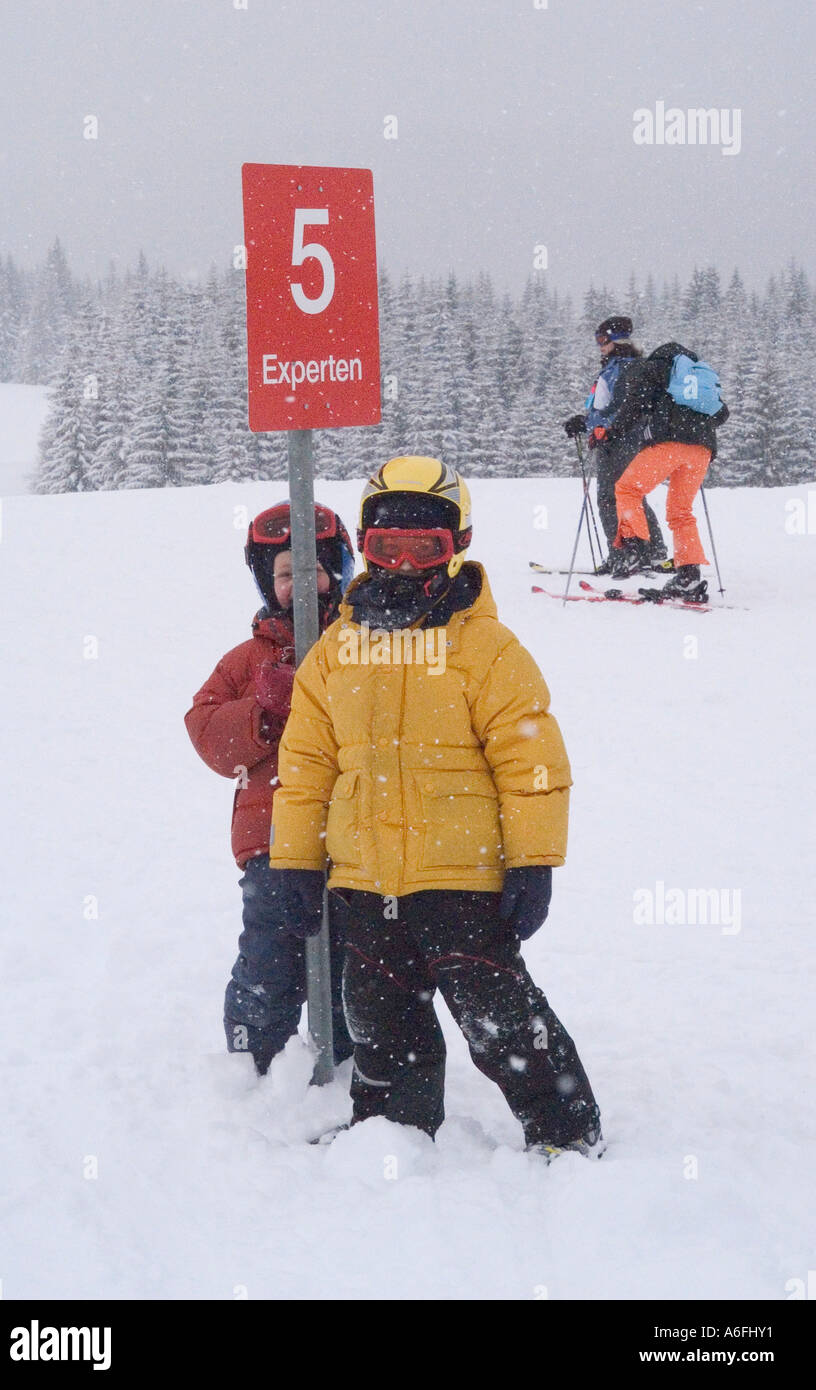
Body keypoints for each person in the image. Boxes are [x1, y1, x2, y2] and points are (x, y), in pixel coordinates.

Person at [267, 456, 603, 1161]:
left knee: (502, 1019)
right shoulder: (335, 652)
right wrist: (295, 860)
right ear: (363, 545)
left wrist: (534, 861)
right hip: (364, 880)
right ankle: (392, 1129)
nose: (403, 563)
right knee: (380, 1022)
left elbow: (532, 761)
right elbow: (304, 768)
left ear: (459, 546)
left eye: (426, 547)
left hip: (463, 880)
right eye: (387, 547)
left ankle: (565, 1132)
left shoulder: (484, 648)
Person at [184, 501, 355, 1074]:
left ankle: (353, 1058)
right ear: (266, 581)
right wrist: (262, 712)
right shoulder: (248, 657)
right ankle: (252, 1064)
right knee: (270, 956)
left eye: (312, 569)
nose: (298, 584)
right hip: (273, 836)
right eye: (284, 574)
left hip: (356, 831)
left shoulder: (362, 645)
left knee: (351, 954)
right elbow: (205, 731)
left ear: (339, 571)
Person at [608, 342, 730, 598]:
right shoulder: (700, 377)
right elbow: (722, 414)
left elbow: (635, 404)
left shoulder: (654, 367)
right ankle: (688, 575)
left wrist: (611, 432)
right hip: (702, 449)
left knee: (627, 488)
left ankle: (634, 549)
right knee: (681, 511)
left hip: (669, 443)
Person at [564, 315, 667, 576]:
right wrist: (585, 422)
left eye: (602, 339)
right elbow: (605, 407)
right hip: (612, 439)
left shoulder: (626, 368)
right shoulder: (613, 367)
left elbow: (623, 408)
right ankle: (644, 551)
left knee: (614, 498)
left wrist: (597, 427)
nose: (599, 345)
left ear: (617, 340)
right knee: (627, 496)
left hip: (622, 440)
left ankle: (629, 552)